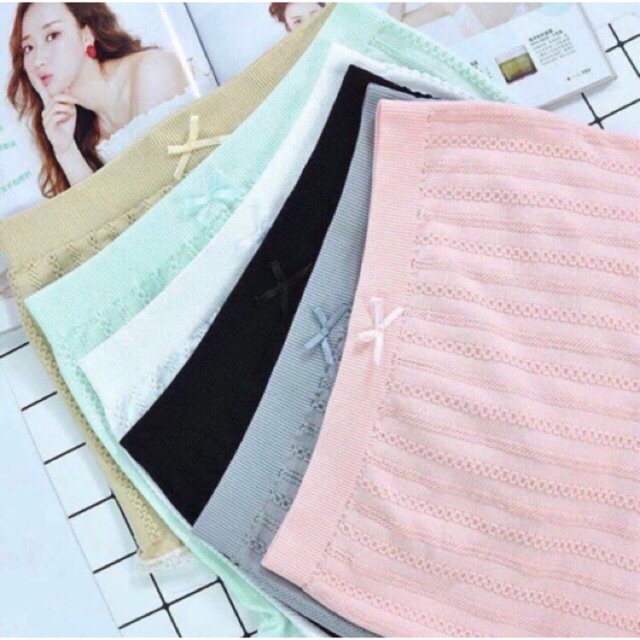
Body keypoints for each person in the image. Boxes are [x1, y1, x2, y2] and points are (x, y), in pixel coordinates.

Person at [7, 3, 189, 197]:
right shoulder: (78, 129)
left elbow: (163, 195)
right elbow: (103, 211)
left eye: (52, 36)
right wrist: (66, 151)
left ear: (86, 35)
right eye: (28, 48)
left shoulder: (152, 71)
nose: (37, 61)